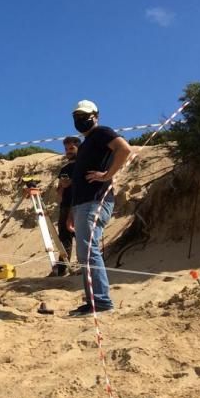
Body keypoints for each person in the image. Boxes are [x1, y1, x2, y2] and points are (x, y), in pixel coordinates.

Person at [68, 100, 132, 317]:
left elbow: (124, 149)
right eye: (76, 116)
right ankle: (92, 301)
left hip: (96, 201)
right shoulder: (85, 144)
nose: (80, 120)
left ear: (96, 115)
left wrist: (107, 175)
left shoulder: (102, 132)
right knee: (84, 253)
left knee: (88, 251)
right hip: (81, 205)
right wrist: (71, 212)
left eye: (84, 115)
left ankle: (102, 302)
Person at [51, 136, 81, 277]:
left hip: (79, 204)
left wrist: (72, 182)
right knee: (64, 238)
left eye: (71, 148)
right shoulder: (64, 168)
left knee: (80, 235)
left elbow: (85, 184)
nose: (68, 151)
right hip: (65, 205)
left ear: (78, 147)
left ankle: (84, 266)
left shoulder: (82, 163)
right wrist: (63, 186)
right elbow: (59, 192)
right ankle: (62, 269)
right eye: (66, 149)